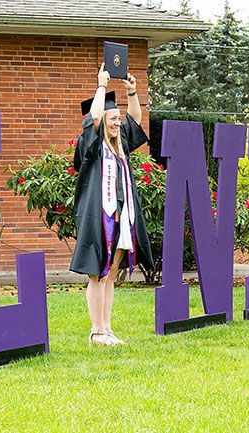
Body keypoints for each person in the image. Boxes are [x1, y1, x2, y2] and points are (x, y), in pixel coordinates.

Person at [70, 63, 154, 346]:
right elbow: (95, 116)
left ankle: (107, 328)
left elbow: (136, 118)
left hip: (121, 215)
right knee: (98, 272)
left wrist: (132, 92)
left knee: (110, 274)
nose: (118, 122)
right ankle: (96, 331)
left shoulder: (120, 146)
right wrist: (102, 85)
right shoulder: (93, 145)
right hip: (98, 216)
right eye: (113, 118)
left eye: (118, 118)